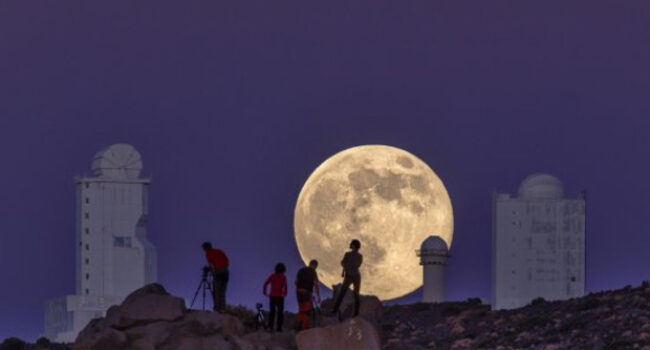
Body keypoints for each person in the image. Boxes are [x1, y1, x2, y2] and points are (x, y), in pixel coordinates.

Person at [332, 239, 363, 317]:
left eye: (351, 244)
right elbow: (342, 262)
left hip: (355, 276)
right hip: (349, 275)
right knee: (342, 293)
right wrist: (345, 267)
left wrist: (347, 265)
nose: (350, 245)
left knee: (355, 294)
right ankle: (334, 310)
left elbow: (357, 265)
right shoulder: (347, 254)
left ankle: (356, 313)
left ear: (354, 245)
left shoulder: (359, 256)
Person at [202, 241, 229, 312]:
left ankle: (217, 308)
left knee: (217, 292)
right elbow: (226, 261)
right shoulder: (219, 251)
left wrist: (209, 270)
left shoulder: (208, 253)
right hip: (225, 273)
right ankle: (223, 308)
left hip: (218, 273)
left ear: (205, 248)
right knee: (222, 292)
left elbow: (211, 265)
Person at [295, 259, 320, 330]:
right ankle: (304, 328)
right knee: (307, 310)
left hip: (298, 292)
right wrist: (318, 296)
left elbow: (296, 281)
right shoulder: (313, 271)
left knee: (301, 308)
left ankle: (299, 325)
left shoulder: (301, 270)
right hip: (307, 292)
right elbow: (316, 284)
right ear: (315, 266)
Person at [263, 263, 288, 332]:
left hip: (272, 295)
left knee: (272, 311)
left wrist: (265, 292)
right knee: (280, 312)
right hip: (280, 296)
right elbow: (285, 286)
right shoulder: (283, 277)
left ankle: (270, 326)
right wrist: (285, 293)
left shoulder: (272, 276)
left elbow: (265, 283)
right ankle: (279, 328)